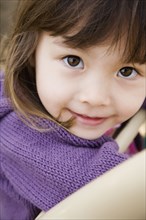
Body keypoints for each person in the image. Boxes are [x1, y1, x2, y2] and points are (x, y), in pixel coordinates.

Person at [0, 0, 145, 219]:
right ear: (31, 52)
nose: (95, 98)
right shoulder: (15, 131)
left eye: (126, 71)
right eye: (73, 60)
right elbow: (110, 189)